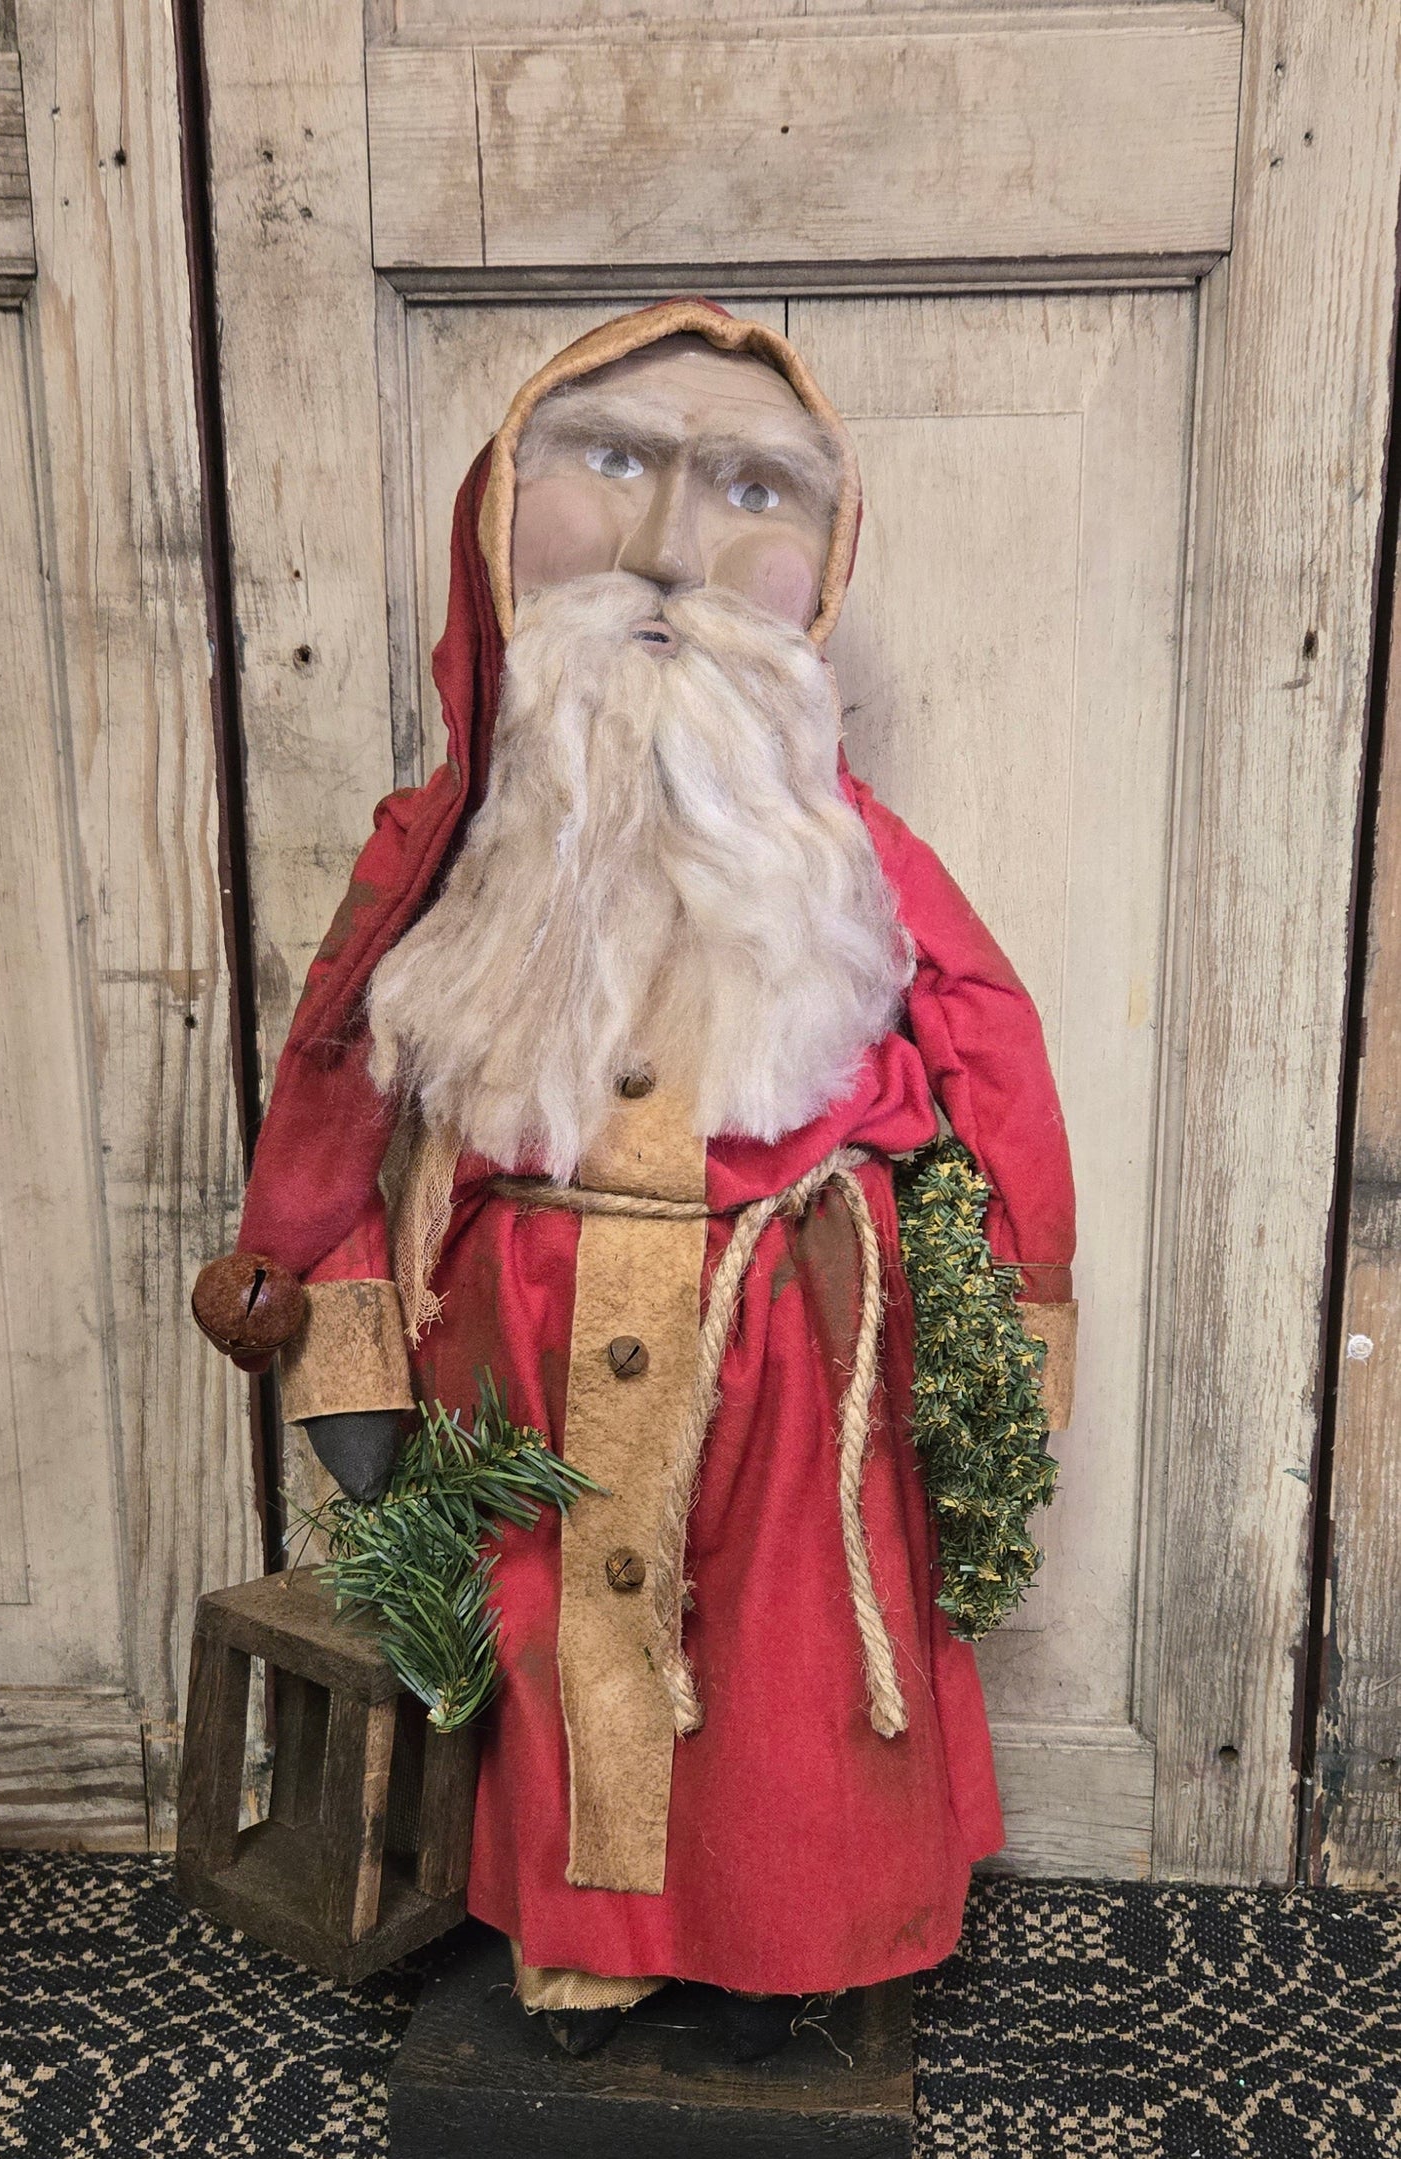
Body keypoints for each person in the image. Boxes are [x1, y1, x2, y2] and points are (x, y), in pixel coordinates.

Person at [193, 299, 1076, 2061]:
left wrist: (1019, 1327)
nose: (674, 543)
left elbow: (991, 1040)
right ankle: (584, 1938)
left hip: (788, 1333)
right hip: (514, 1333)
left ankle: (807, 1925)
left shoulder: (851, 853)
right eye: (616, 465)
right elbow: (331, 1102)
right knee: (548, 1627)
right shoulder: (440, 850)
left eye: (747, 487)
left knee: (782, 1671)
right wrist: (342, 1343)